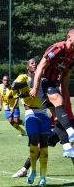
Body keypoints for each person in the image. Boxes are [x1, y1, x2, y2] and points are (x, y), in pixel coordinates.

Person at [12, 80, 74, 178]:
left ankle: (24, 170)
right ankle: (24, 170)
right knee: (41, 147)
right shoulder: (52, 88)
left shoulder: (57, 89)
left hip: (65, 123)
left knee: (71, 148)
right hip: (55, 125)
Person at [29, 26, 74, 157]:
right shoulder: (58, 48)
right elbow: (41, 66)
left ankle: (66, 147)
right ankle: (71, 132)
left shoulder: (72, 55)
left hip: (52, 83)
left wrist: (64, 95)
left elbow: (66, 76)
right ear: (69, 37)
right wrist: (35, 87)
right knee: (58, 101)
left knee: (57, 117)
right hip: (42, 80)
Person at [11, 58, 51, 186]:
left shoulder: (42, 79)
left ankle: (43, 177)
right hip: (30, 114)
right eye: (31, 63)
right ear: (27, 67)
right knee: (34, 139)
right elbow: (13, 86)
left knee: (44, 144)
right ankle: (32, 170)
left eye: (36, 63)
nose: (34, 65)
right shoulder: (23, 77)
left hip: (43, 114)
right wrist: (30, 82)